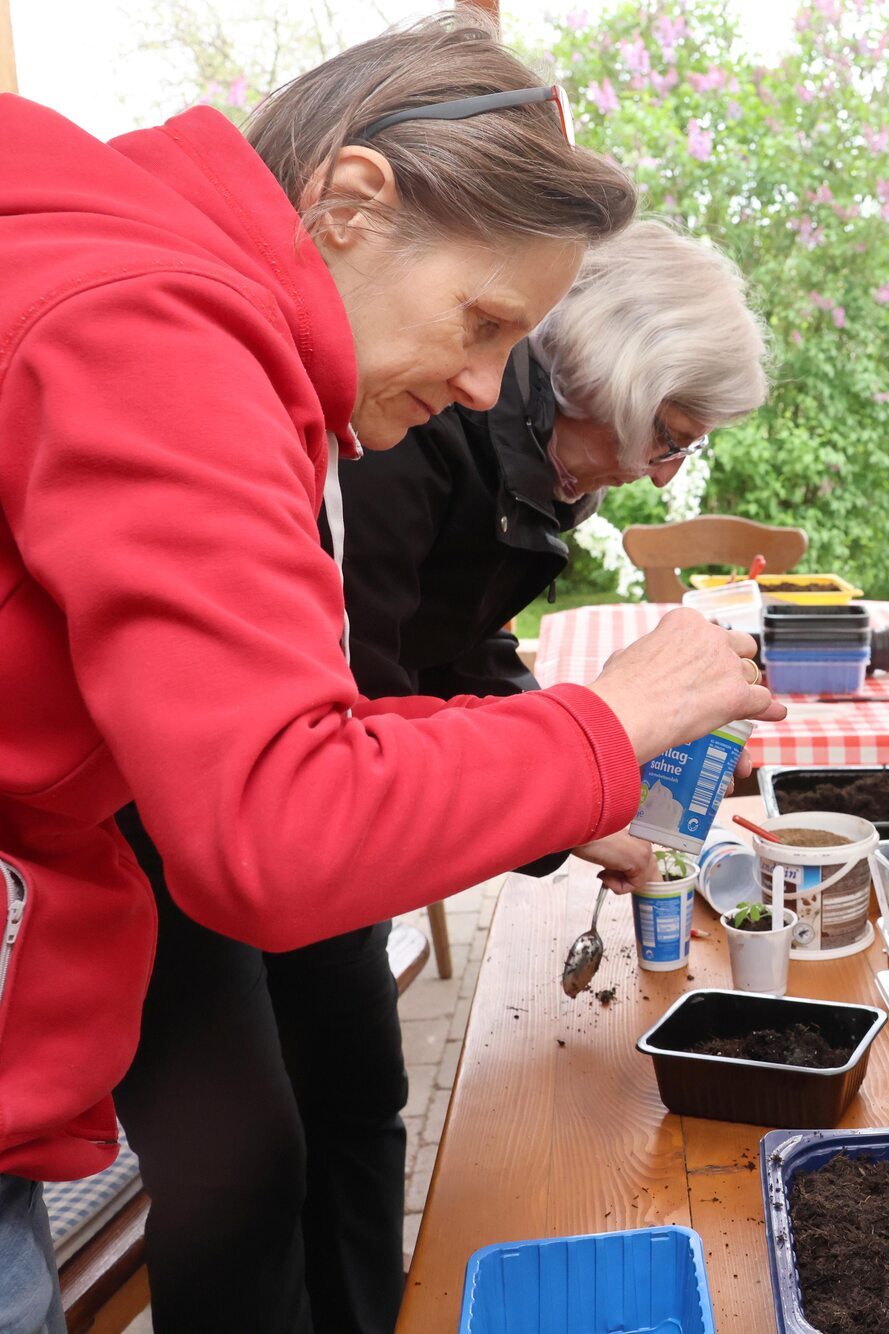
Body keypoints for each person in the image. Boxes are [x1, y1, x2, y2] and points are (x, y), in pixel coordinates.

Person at [0, 19, 782, 1331]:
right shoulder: (164, 328)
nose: (487, 388)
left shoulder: (132, 279)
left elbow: (308, 709)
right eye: (482, 322)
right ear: (353, 202)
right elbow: (279, 817)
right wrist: (608, 720)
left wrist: (564, 769)